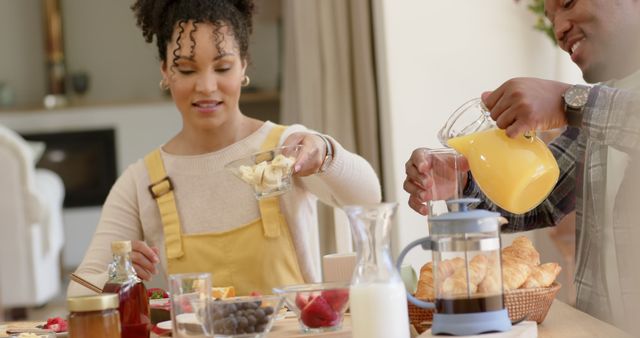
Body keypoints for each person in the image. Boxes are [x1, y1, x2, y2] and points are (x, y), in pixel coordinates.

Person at [68, 0, 381, 297]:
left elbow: (368, 197)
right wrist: (117, 272)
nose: (206, 86)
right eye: (187, 70)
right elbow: (78, 292)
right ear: (165, 71)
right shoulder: (142, 182)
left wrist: (325, 153)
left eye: (222, 68)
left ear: (244, 66)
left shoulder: (287, 148)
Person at [404, 0, 640, 332]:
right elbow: (538, 201)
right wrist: (464, 185)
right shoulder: (601, 102)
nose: (559, 29)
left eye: (568, 3)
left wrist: (571, 103)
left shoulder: (588, 107)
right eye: (551, 17)